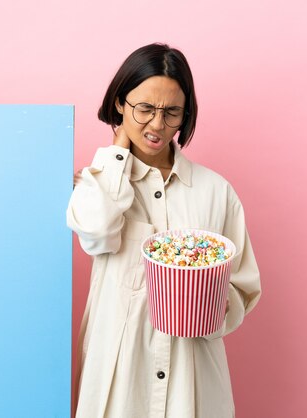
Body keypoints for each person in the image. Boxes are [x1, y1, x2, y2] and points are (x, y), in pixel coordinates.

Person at [66, 43, 262, 418]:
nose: (157, 125)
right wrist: (117, 152)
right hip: (120, 377)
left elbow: (243, 284)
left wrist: (210, 306)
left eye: (172, 112)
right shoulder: (96, 183)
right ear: (120, 103)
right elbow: (97, 232)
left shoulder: (215, 191)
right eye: (144, 109)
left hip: (193, 380)